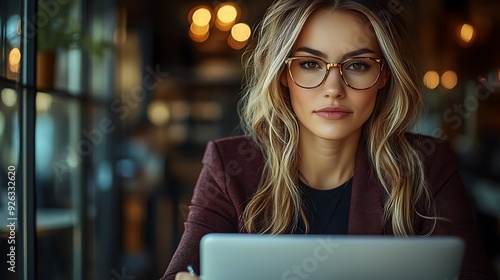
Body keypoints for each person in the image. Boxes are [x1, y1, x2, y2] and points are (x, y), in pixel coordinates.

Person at [161, 0, 494, 279]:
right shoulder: (229, 166)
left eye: (358, 65)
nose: (333, 88)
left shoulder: (427, 163)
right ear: (283, 76)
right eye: (309, 63)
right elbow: (182, 273)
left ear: (384, 77)